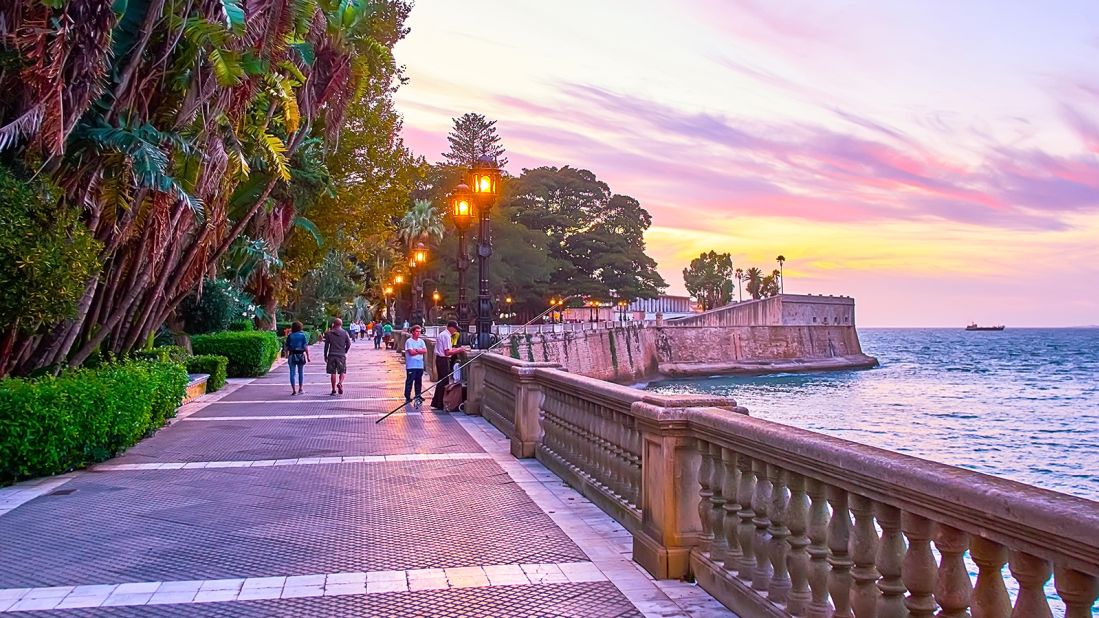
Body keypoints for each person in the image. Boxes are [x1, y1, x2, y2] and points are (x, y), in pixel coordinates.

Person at [430, 321, 465, 410]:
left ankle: (436, 402)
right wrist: (460, 350)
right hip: (443, 360)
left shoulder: (443, 334)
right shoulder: (446, 336)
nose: (455, 331)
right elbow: (447, 352)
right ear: (451, 327)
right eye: (455, 329)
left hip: (440, 359)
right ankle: (441, 403)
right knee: (444, 381)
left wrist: (456, 349)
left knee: (441, 381)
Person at [323, 317, 352, 395]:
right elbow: (349, 344)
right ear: (341, 324)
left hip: (332, 354)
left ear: (334, 324)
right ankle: (340, 383)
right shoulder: (345, 333)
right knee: (342, 371)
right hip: (341, 355)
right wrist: (345, 351)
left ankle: (333, 390)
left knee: (333, 372)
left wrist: (325, 356)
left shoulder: (329, 333)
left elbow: (326, 346)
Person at [403, 325, 428, 405]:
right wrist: (419, 351)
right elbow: (411, 352)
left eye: (419, 331)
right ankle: (407, 396)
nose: (418, 333)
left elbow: (425, 350)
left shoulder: (421, 341)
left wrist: (416, 350)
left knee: (418, 381)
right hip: (411, 365)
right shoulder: (409, 341)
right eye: (417, 331)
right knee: (410, 381)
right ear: (413, 332)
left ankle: (418, 395)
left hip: (419, 364)